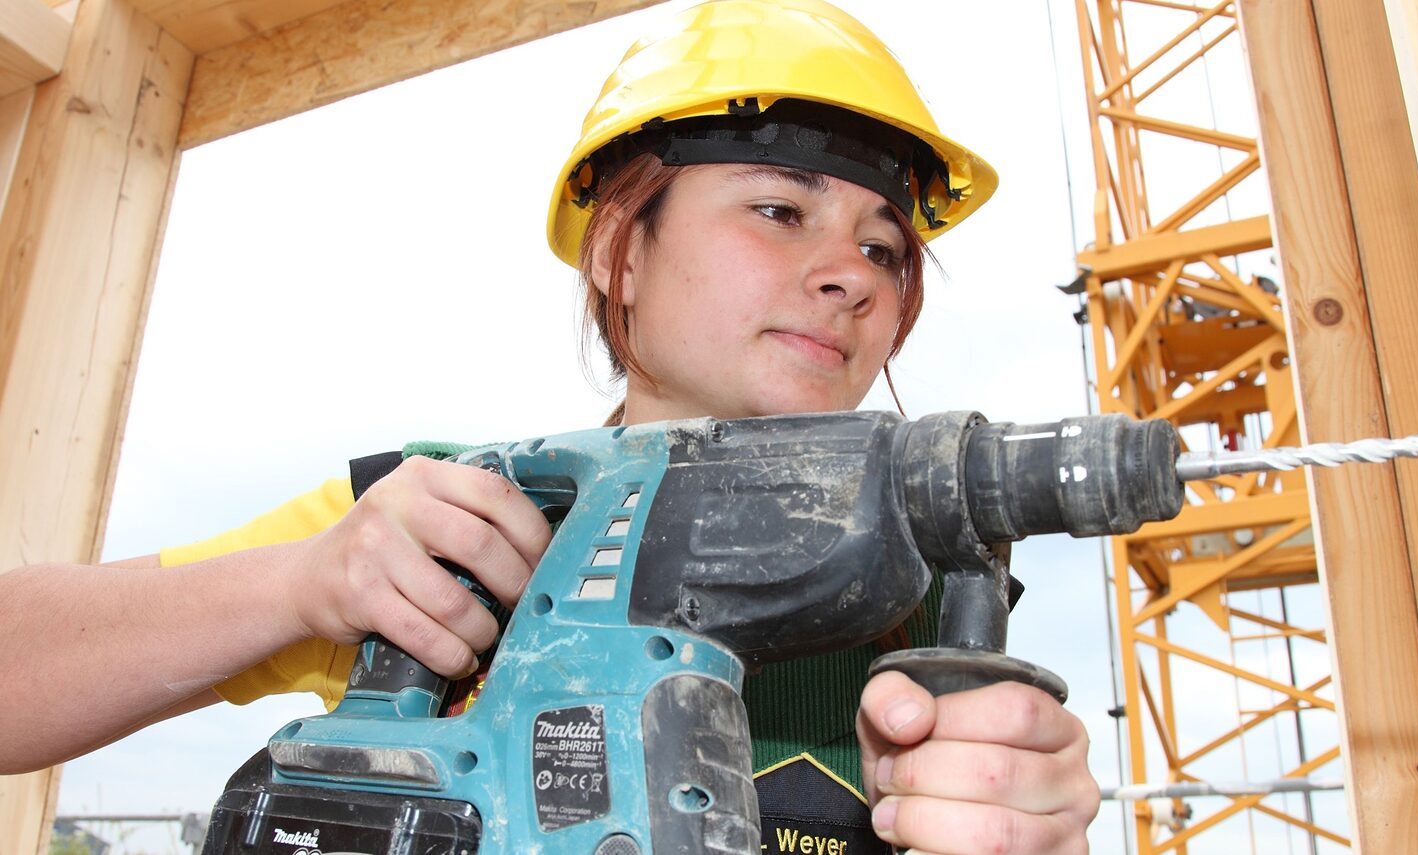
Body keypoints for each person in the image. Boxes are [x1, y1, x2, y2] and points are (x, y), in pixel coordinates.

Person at [0, 1, 1099, 851]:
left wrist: (1008, 819)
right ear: (620, 250)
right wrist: (301, 583)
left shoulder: (921, 622)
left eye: (884, 249)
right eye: (779, 209)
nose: (849, 278)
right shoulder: (451, 522)